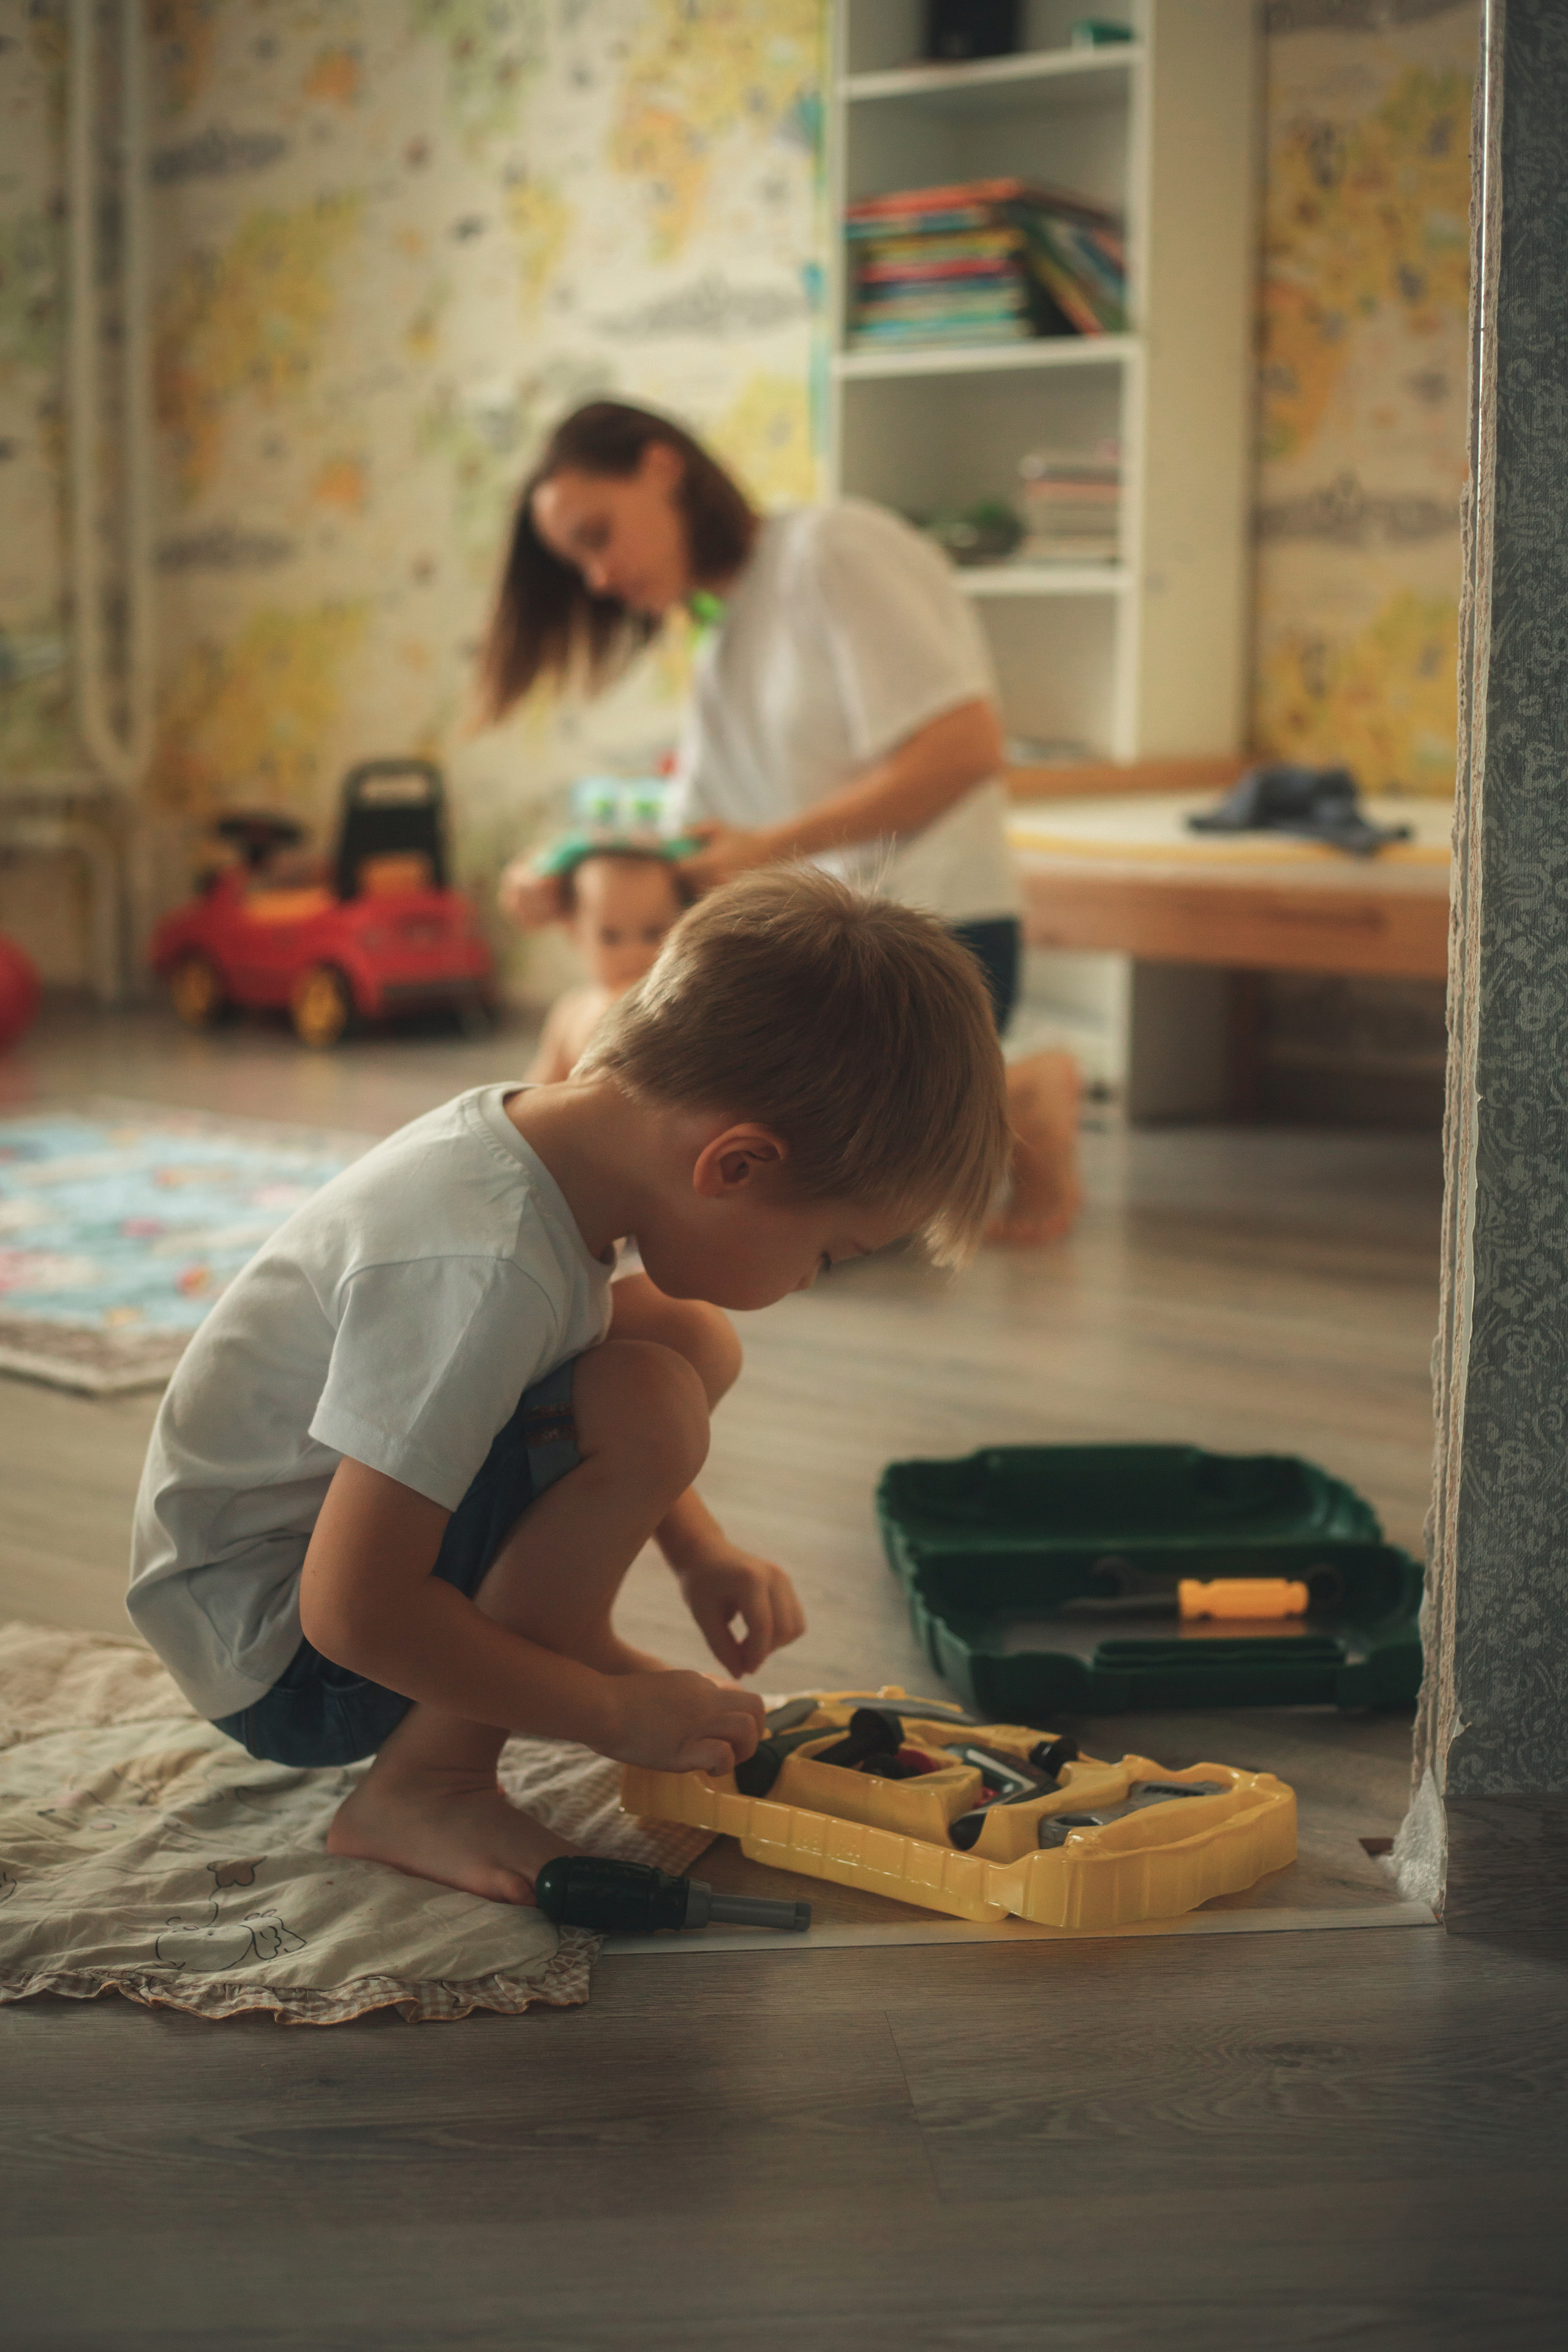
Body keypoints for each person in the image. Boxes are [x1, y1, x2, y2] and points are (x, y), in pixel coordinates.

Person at [127, 869, 1011, 1909]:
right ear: (734, 1166)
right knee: (648, 1401)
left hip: (294, 1593)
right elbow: (353, 1612)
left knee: (682, 1340)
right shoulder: (488, 1265)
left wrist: (700, 1551)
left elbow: (536, 1382)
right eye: (827, 1254)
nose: (808, 1282)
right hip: (283, 1661)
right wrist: (600, 1713)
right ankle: (430, 1785)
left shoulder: (544, 1155)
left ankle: (547, 1642)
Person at [487, 399, 1082, 1244]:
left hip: (927, 948)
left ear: (663, 468)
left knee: (790, 1219)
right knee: (705, 1159)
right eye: (578, 562)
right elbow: (695, 845)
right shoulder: (721, 641)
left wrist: (773, 849)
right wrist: (568, 867)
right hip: (815, 959)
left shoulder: (831, 550)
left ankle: (1017, 1089)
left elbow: (966, 749)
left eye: (597, 534)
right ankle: (987, 1095)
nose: (599, 578)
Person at [521, 847, 689, 1084]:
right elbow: (537, 1090)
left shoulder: (678, 1012)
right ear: (575, 932)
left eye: (653, 934)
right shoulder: (570, 1011)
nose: (634, 955)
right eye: (610, 937)